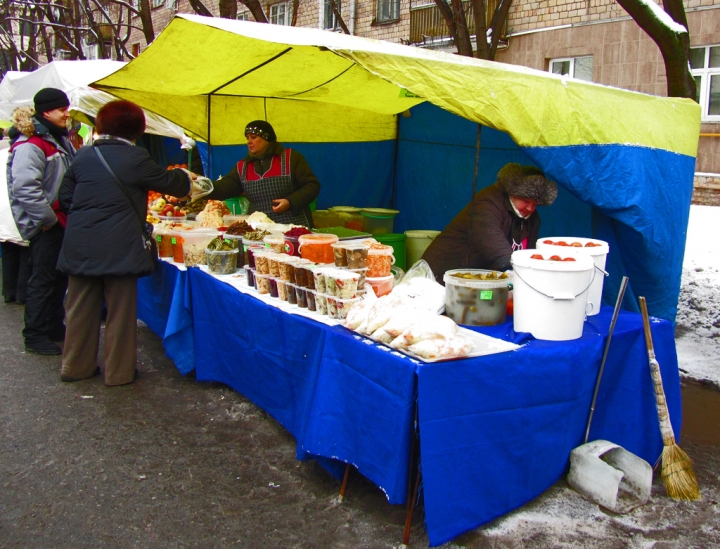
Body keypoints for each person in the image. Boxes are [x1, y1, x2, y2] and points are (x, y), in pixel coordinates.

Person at [56, 100, 191, 385]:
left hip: (80, 242)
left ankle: (75, 367)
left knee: (79, 309)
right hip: (120, 244)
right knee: (120, 311)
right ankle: (118, 373)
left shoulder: (83, 156)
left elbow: (65, 198)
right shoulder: (136, 158)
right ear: (136, 129)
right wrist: (184, 174)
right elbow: (174, 185)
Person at [6, 89, 76, 355]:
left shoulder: (57, 139)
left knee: (58, 278)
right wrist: (47, 220)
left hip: (59, 221)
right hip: (47, 224)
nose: (67, 113)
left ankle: (53, 325)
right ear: (46, 111)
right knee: (43, 279)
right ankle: (34, 335)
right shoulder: (32, 144)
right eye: (62, 109)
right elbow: (24, 187)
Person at [422, 163, 558, 281]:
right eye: (526, 201)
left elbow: (528, 255)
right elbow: (495, 246)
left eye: (535, 204)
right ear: (512, 192)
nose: (530, 208)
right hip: (440, 277)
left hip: (481, 281)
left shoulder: (533, 219)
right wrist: (517, 274)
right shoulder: (487, 203)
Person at [200, 120, 320, 227]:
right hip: (259, 230)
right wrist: (200, 185)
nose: (249, 142)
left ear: (267, 139)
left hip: (292, 226)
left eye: (253, 137)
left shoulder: (291, 158)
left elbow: (312, 185)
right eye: (247, 138)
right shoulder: (243, 167)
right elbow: (225, 187)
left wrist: (290, 201)